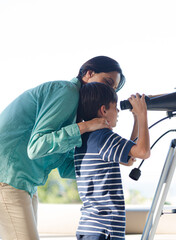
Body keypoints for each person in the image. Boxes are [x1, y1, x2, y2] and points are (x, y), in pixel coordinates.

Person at [0, 56, 126, 240]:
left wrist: (104, 161)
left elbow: (66, 168)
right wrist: (87, 126)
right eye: (107, 82)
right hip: (7, 177)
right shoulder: (67, 92)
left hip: (25, 182)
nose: (108, 91)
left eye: (113, 89)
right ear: (88, 73)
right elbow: (36, 147)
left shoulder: (76, 113)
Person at [74, 82, 150, 240]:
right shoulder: (104, 137)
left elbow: (129, 158)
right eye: (115, 107)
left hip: (90, 228)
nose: (117, 112)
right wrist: (143, 115)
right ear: (103, 110)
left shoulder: (87, 137)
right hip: (104, 229)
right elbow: (143, 152)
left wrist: (136, 118)